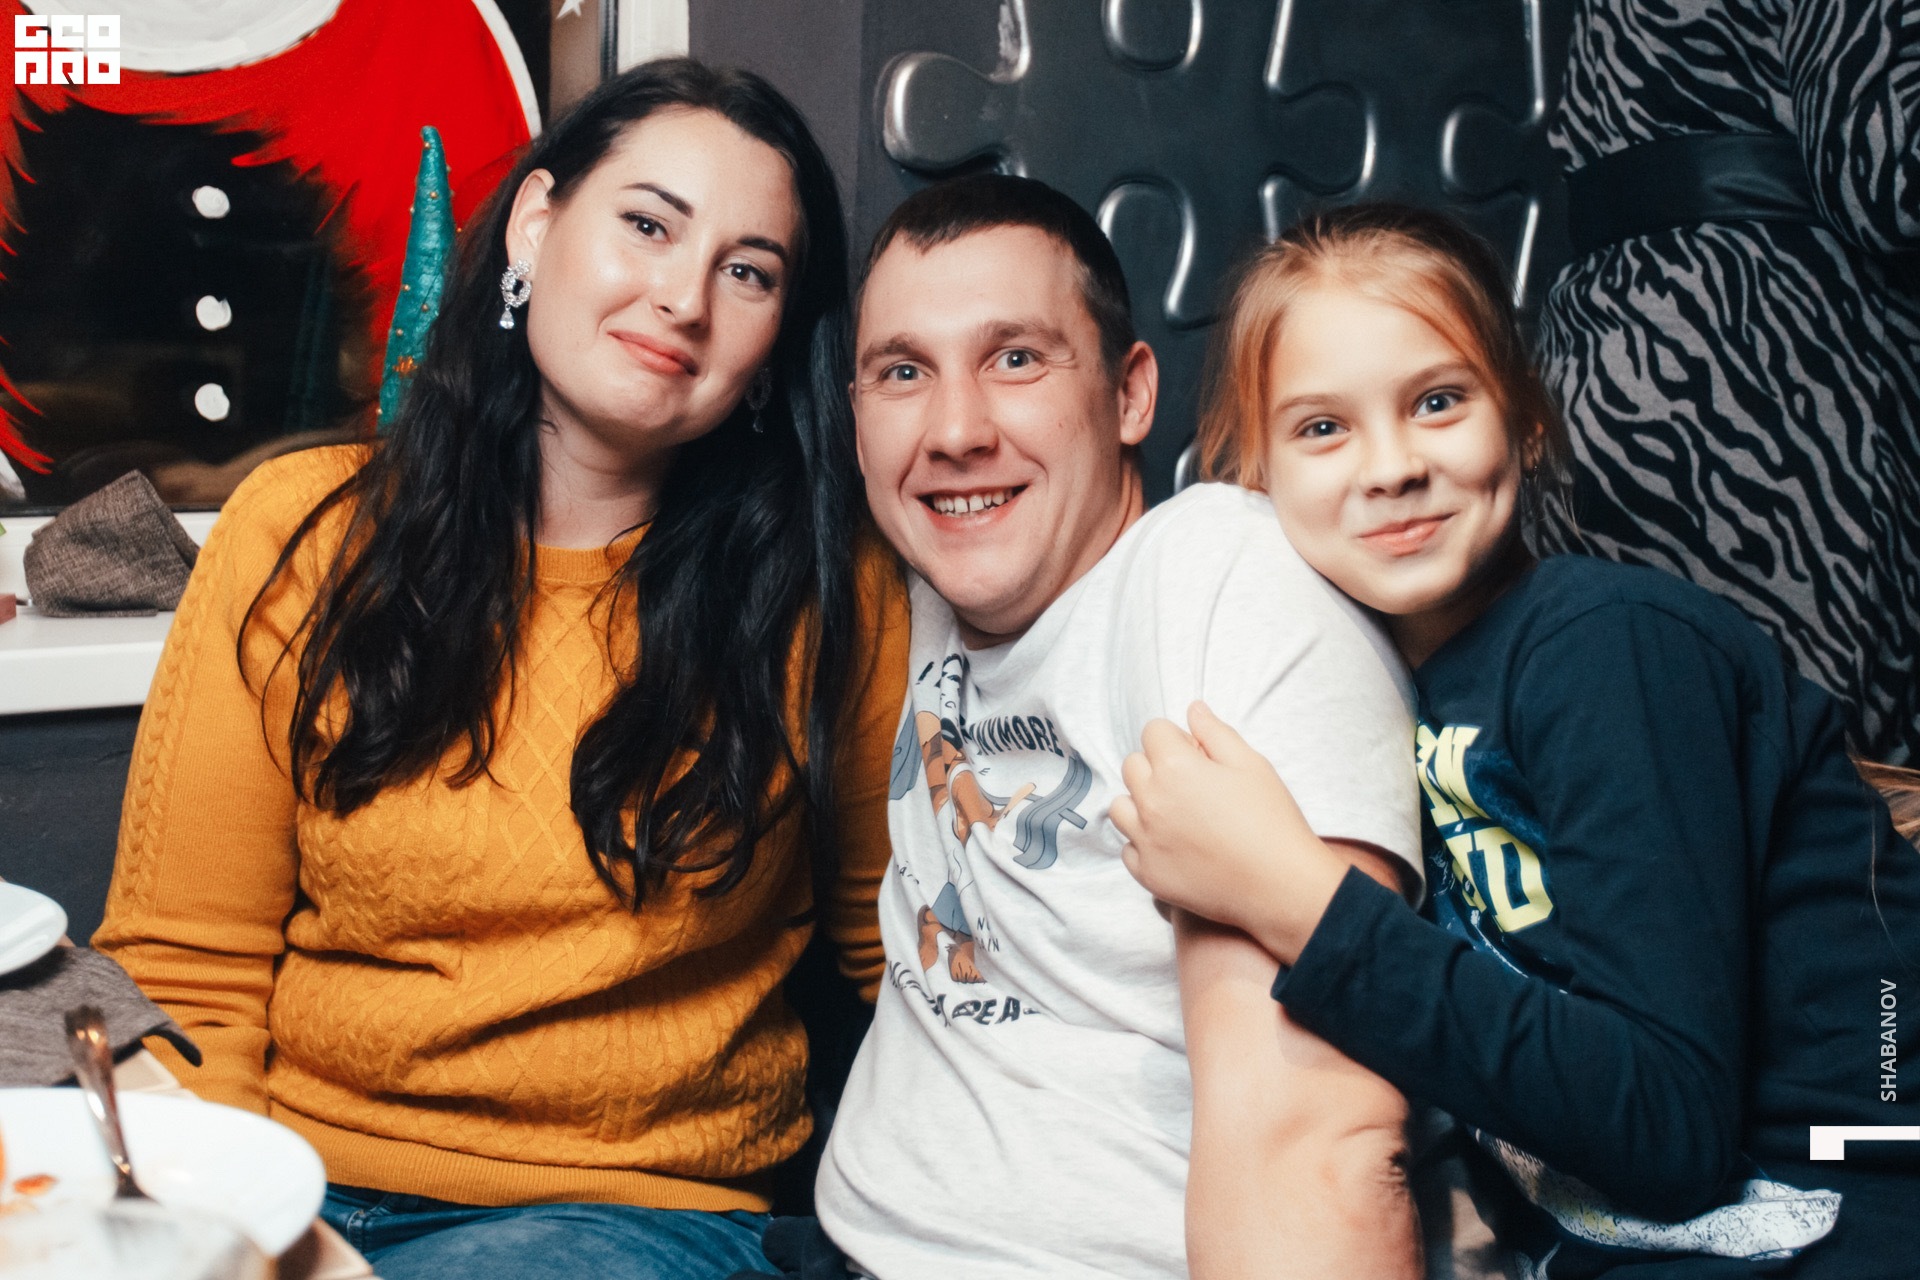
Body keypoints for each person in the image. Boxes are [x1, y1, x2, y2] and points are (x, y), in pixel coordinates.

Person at [94, 59, 906, 1280]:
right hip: (291, 1185)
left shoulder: (831, 588)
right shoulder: (298, 535)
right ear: (536, 223)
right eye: (648, 225)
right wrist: (237, 1232)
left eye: (748, 271)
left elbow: (909, 961)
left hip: (633, 1220)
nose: (683, 297)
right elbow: (184, 969)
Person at [1115, 202, 1920, 1278]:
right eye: (1322, 428)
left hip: (1850, 1189)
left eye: (1438, 401)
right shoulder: (1362, 688)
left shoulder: (1608, 647)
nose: (1391, 466)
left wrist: (1295, 897)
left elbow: (1674, 1130)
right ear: (1251, 473)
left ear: (1526, 419)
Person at [807, 174, 1426, 1280]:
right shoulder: (913, 582)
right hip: (840, 1240)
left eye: (1016, 358)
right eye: (903, 372)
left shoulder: (1215, 585)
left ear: (1131, 394)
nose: (955, 430)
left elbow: (1321, 1136)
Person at [1536, 0, 1920, 765]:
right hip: (1771, 395)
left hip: (1623, 368)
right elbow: (1886, 176)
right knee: (1813, 802)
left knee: (1652, 779)